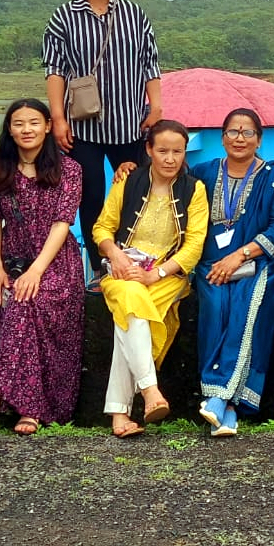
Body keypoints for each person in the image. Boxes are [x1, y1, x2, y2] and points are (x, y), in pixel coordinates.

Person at [43, 0, 163, 267]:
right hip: (83, 128)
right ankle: (99, 267)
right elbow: (55, 70)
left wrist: (156, 107)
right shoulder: (63, 17)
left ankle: (135, 260)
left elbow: (150, 64)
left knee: (136, 192)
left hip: (130, 123)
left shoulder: (134, 14)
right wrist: (57, 118)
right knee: (91, 196)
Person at [0, 99, 85, 435]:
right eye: (18, 123)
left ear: (48, 126)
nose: (26, 130)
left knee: (24, 298)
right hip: (12, 258)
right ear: (9, 129)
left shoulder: (69, 169)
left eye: (34, 122)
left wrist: (36, 271)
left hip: (57, 262)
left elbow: (62, 224)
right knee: (8, 295)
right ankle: (29, 409)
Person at [91, 119, 208, 438]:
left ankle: (120, 412)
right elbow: (102, 227)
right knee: (131, 299)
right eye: (163, 151)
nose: (170, 159)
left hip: (166, 277)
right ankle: (150, 391)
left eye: (177, 152)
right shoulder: (128, 179)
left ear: (185, 153)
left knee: (128, 319)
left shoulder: (194, 190)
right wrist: (115, 256)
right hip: (122, 271)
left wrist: (155, 273)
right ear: (149, 150)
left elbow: (194, 245)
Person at [191, 108, 274, 437]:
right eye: (233, 132)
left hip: (256, 261)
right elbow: (165, 181)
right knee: (215, 306)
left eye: (248, 132)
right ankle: (229, 409)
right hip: (211, 265)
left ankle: (219, 398)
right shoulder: (202, 173)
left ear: (259, 140)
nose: (240, 138)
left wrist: (240, 255)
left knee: (246, 306)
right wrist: (128, 166)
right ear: (222, 138)